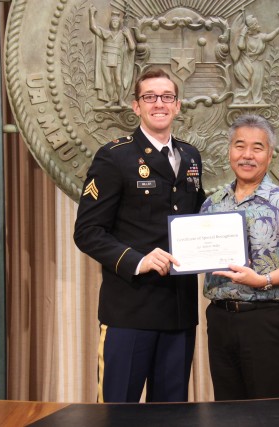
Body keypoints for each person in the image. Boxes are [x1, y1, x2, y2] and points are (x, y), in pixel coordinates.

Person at [74, 68, 205, 403]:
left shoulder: (190, 156)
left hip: (179, 310)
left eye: (166, 97)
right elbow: (88, 231)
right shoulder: (114, 157)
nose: (158, 104)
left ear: (177, 105)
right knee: (118, 414)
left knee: (171, 416)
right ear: (136, 106)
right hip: (130, 311)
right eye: (150, 97)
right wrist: (138, 259)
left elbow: (196, 218)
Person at [200, 114, 279, 400]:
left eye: (257, 148)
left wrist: (262, 280)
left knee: (271, 412)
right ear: (229, 151)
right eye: (240, 146)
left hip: (267, 319)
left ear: (269, 154)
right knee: (228, 411)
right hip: (220, 318)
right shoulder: (213, 203)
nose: (247, 155)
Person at [231, 14, 279, 104]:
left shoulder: (260, 36)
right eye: (256, 24)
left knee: (257, 82)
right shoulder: (246, 37)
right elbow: (240, 46)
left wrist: (277, 30)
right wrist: (242, 34)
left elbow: (269, 37)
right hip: (247, 63)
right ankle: (247, 98)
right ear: (252, 27)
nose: (258, 25)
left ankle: (256, 99)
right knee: (249, 82)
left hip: (257, 63)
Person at [89, 6, 136, 108]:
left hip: (117, 58)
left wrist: (128, 36)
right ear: (111, 23)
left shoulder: (123, 34)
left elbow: (132, 47)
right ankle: (111, 99)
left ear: (119, 23)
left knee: (118, 80)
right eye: (113, 21)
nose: (115, 23)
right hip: (105, 58)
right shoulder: (106, 33)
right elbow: (93, 28)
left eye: (117, 21)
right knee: (108, 81)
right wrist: (91, 14)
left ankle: (120, 100)